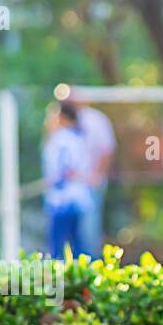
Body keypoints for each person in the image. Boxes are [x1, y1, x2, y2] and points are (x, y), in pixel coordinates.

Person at [42, 101, 93, 259]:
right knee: (76, 245)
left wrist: (58, 179)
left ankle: (60, 281)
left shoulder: (62, 138)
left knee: (60, 247)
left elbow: (64, 168)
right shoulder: (77, 137)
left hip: (63, 200)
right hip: (75, 198)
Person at [73, 99, 116, 255]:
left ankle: (90, 266)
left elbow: (107, 149)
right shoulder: (60, 121)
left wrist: (97, 176)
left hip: (89, 184)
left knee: (89, 230)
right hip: (70, 188)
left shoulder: (95, 120)